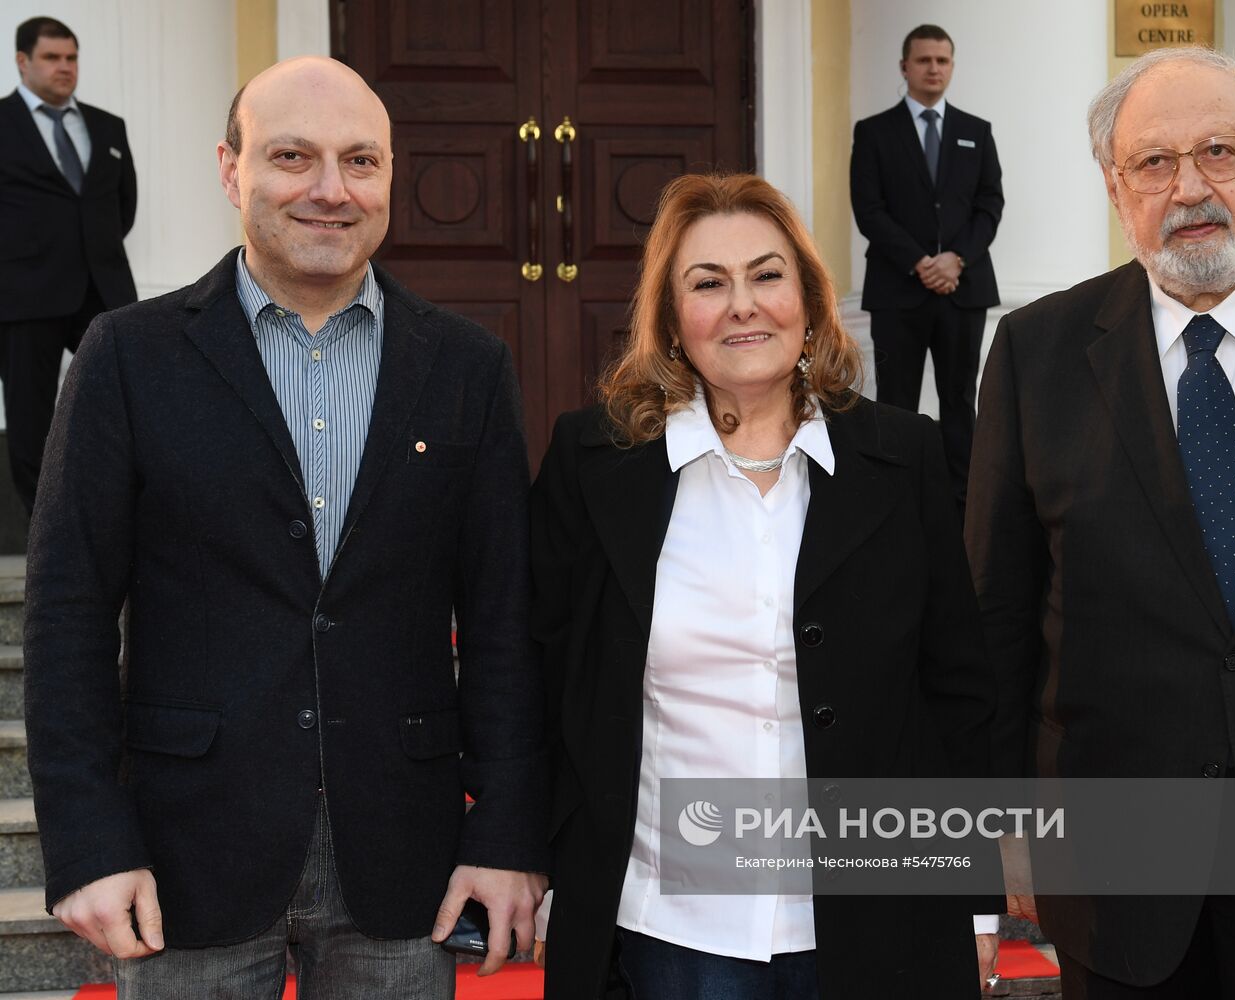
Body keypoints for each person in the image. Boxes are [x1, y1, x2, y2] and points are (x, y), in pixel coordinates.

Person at [24, 56, 546, 997]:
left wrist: (507, 831)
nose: (329, 191)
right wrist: (88, 837)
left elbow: (508, 622)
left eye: (360, 161)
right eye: (292, 156)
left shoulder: (468, 369)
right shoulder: (126, 359)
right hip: (184, 869)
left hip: (404, 866)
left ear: (391, 175)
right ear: (230, 169)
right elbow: (66, 615)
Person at [531, 172, 1001, 999]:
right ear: (674, 322)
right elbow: (542, 676)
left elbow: (957, 693)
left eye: (767, 274)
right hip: (668, 930)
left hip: (873, 923)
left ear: (811, 303)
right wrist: (537, 861)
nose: (742, 304)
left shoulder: (904, 460)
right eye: (708, 284)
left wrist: (977, 902)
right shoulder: (593, 465)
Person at [966, 46, 1235, 999]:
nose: (1189, 188)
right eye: (1154, 162)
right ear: (1115, 185)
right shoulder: (1037, 354)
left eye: (1220, 151)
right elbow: (994, 627)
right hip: (1118, 881)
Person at [850, 23, 1003, 507]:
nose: (933, 68)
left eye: (942, 60)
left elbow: (989, 204)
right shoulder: (874, 132)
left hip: (964, 287)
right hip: (899, 290)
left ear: (951, 67)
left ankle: (965, 506)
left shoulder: (976, 133)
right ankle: (896, 498)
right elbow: (868, 210)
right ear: (905, 67)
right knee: (896, 401)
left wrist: (956, 259)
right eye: (924, 60)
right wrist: (920, 262)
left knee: (960, 399)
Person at [0, 16, 136, 515]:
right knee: (31, 423)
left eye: (71, 58)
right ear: (23, 62)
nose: (65, 68)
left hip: (105, 293)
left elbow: (124, 208)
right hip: (23, 295)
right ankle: (48, 543)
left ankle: (122, 520)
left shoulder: (107, 127)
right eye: (52, 58)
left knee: (131, 403)